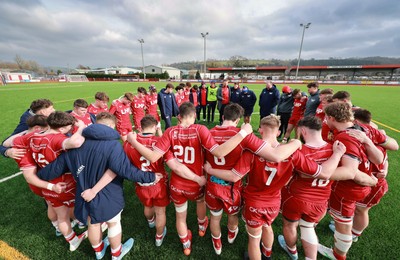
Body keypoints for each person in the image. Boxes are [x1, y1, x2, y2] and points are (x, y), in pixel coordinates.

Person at [204, 115, 345, 260]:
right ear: (278, 132)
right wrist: (337, 154)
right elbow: (324, 172)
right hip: (274, 201)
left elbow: (234, 176)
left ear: (260, 129)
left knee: (254, 238)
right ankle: (267, 254)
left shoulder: (251, 152)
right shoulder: (292, 153)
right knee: (267, 226)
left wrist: (210, 170)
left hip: (254, 202)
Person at [128, 102, 254, 256]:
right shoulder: (201, 129)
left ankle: (186, 244)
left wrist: (133, 141)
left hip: (177, 184)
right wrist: (243, 133)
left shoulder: (169, 132)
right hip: (196, 182)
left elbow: (156, 157)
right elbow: (218, 152)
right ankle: (202, 227)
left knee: (180, 216)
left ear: (178, 117)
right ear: (195, 115)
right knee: (200, 202)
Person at [37, 112, 161, 260]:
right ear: (111, 126)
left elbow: (51, 170)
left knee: (93, 223)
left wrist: (37, 174)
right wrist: (151, 176)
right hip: (108, 194)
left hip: (84, 194)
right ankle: (116, 253)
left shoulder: (75, 143)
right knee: (113, 223)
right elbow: (126, 170)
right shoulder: (113, 144)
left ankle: (99, 251)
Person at [203, 103, 301, 256]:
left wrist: (208, 170)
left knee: (215, 217)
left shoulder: (207, 132)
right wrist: (296, 142)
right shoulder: (245, 137)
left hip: (213, 184)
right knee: (233, 215)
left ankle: (217, 242)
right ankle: (232, 234)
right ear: (238, 120)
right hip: (233, 188)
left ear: (222, 117)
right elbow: (273, 155)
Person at [278, 116, 370, 260]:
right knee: (307, 227)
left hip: (296, 197)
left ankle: (292, 251)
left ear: (302, 130)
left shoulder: (299, 151)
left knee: (290, 225)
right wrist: (372, 180)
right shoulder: (336, 149)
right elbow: (352, 172)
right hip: (320, 201)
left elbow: (285, 177)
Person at [318, 102, 387, 260]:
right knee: (350, 217)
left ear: (331, 118)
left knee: (343, 224)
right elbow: (380, 157)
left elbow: (349, 171)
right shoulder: (364, 128)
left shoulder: (345, 136)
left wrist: (316, 173)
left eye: (326, 118)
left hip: (348, 188)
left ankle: (338, 255)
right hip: (362, 184)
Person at [25, 111, 87, 251]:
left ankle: (72, 240)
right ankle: (84, 223)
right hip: (63, 183)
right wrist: (81, 126)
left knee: (61, 215)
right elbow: (76, 142)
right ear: (61, 129)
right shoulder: (56, 138)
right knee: (75, 207)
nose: (71, 129)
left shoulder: (33, 137)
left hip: (46, 184)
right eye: (69, 127)